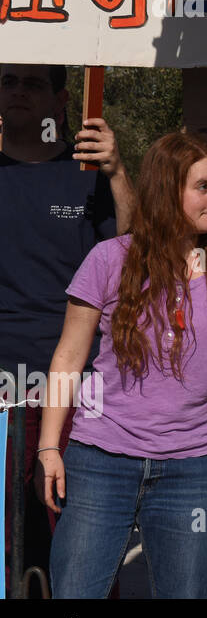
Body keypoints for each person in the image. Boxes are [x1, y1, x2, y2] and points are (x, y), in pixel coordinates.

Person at [36, 132, 207, 598]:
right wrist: (48, 447)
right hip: (100, 461)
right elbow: (67, 356)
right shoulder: (109, 259)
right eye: (203, 187)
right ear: (166, 189)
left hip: (191, 471)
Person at [0, 63, 134, 585]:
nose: (18, 92)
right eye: (8, 81)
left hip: (81, 388)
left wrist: (120, 171)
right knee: (9, 552)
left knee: (83, 551)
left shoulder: (88, 174)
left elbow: (138, 253)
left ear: (61, 98)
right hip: (2, 392)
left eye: (33, 83)